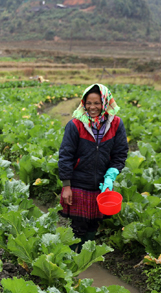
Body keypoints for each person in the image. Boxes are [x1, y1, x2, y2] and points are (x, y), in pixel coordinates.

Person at [58, 83, 128, 251]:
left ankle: (84, 259)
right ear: (84, 103)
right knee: (78, 227)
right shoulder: (75, 125)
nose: (92, 107)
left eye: (96, 103)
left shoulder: (116, 124)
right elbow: (65, 155)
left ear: (104, 102)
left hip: (101, 186)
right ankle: (74, 262)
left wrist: (111, 175)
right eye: (88, 103)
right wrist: (66, 185)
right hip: (78, 184)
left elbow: (120, 153)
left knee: (93, 226)